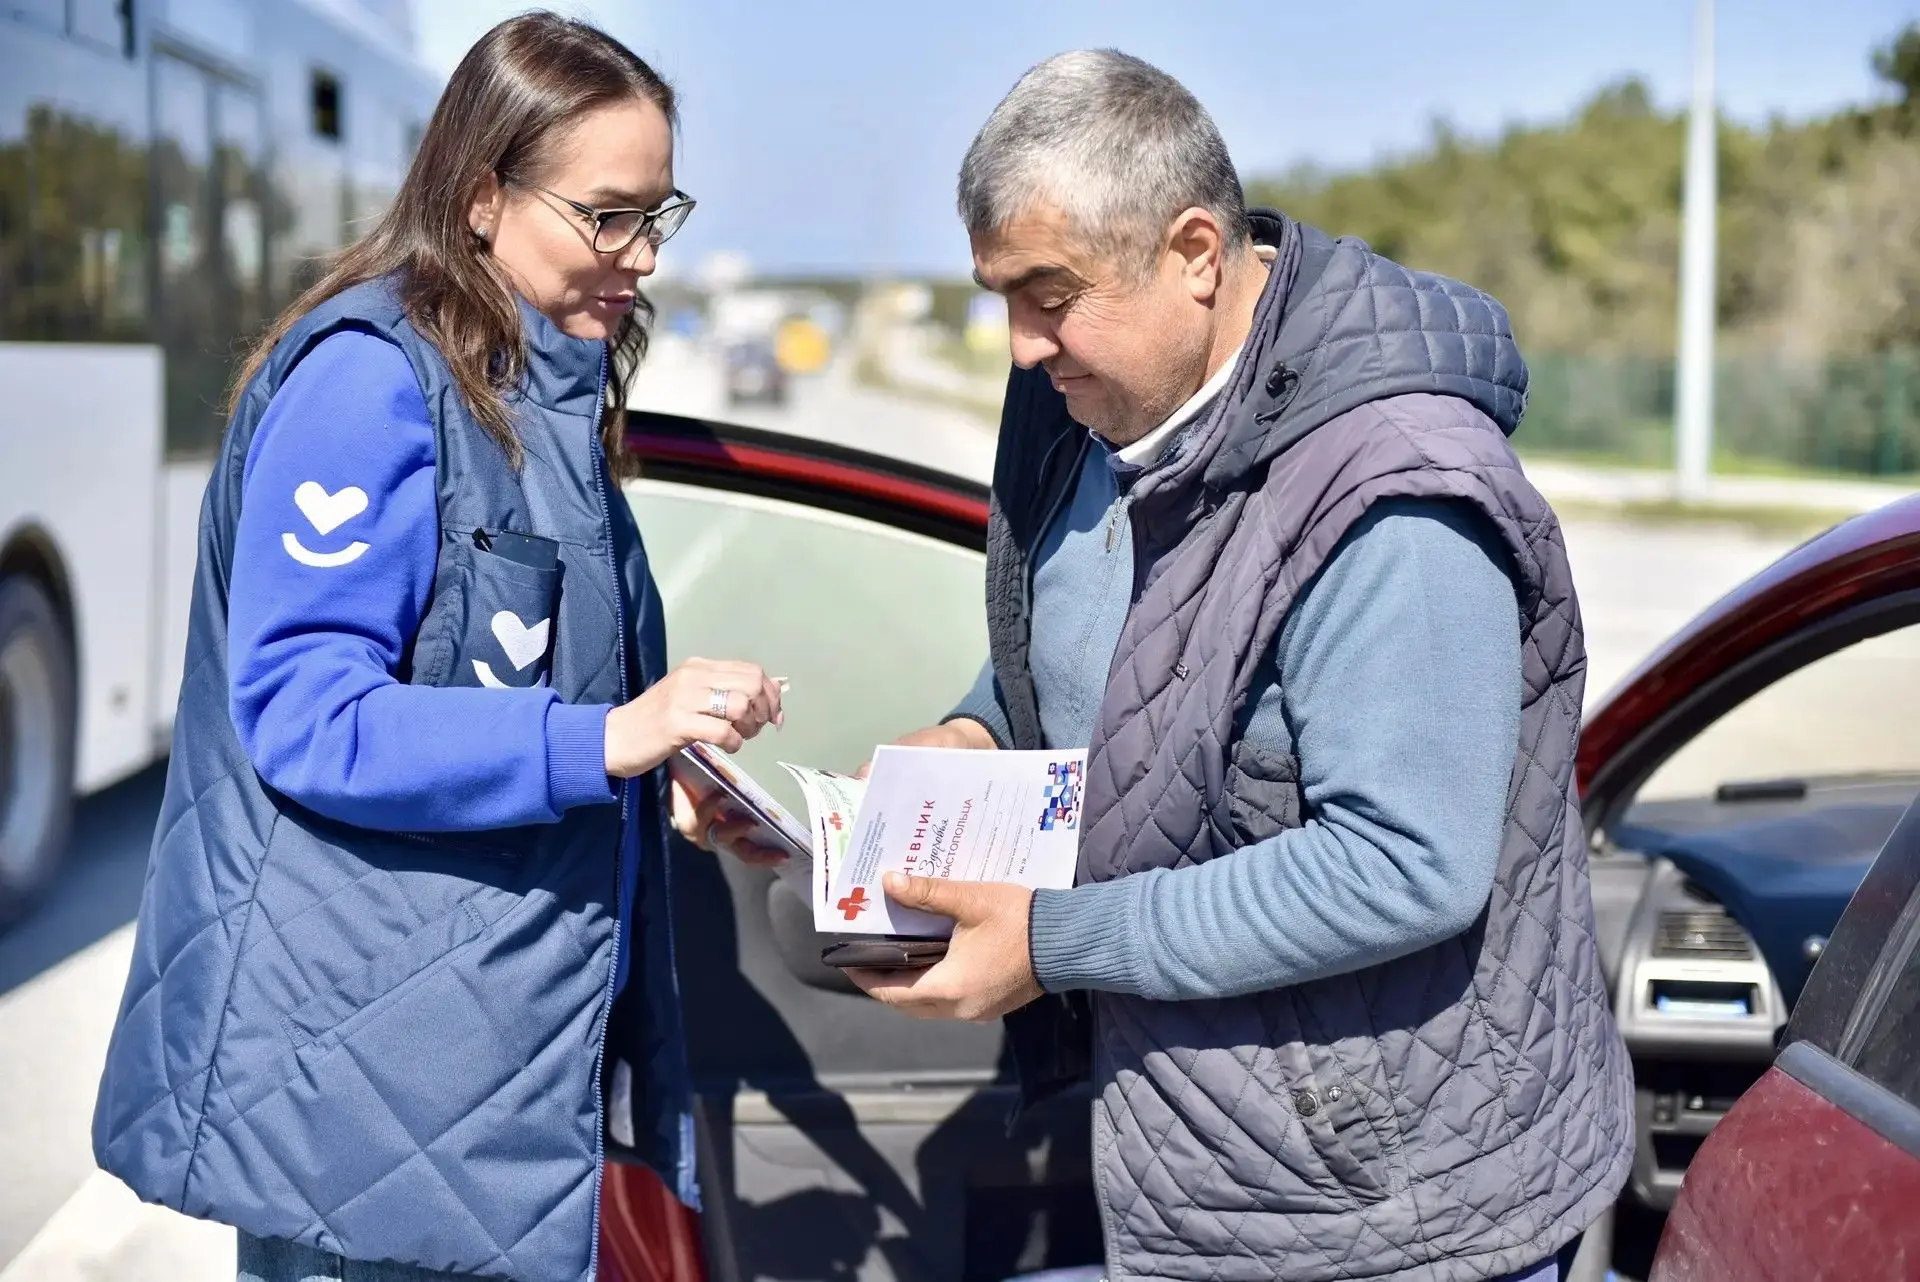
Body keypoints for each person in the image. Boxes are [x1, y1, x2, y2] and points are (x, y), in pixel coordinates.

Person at [843, 50, 1634, 1282]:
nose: (1018, 345)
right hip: (1208, 1181)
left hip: (1388, 1218)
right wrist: (976, 732)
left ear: (1197, 254)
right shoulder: (1099, 411)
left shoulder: (1394, 497)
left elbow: (1406, 866)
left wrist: (1052, 945)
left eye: (1049, 295)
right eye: (1001, 294)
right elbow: (1102, 649)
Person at [89, 16, 782, 1282]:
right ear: (480, 198)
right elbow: (309, 715)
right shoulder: (370, 385)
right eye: (607, 216)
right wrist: (607, 737)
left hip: (455, 1080)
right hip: (363, 1101)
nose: (640, 256)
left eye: (658, 214)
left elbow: (520, 689)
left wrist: (661, 769)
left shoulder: (538, 391)